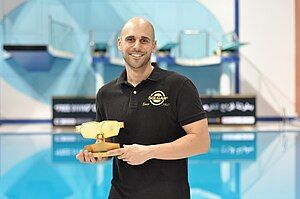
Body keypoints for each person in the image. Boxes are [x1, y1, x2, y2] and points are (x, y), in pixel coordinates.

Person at [76, 16, 210, 199]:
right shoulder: (105, 94)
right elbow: (109, 145)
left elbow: (201, 142)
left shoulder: (179, 85)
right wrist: (97, 155)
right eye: (130, 39)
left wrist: (149, 152)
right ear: (120, 43)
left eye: (144, 40)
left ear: (153, 46)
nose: (137, 46)